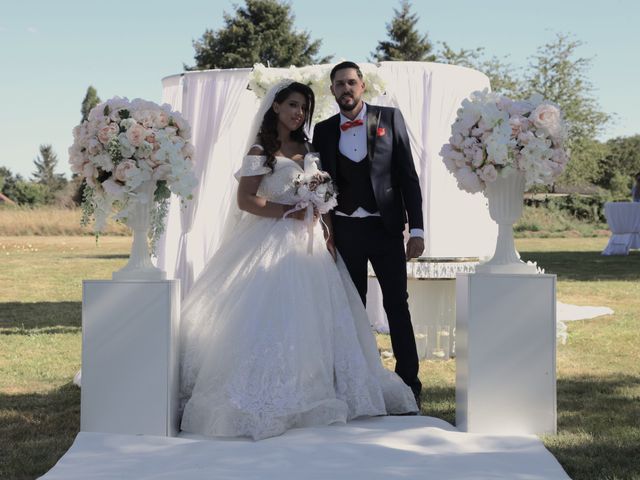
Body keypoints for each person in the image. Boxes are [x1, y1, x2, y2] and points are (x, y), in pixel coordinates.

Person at [179, 80, 417, 441]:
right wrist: (286, 211)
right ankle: (268, 392)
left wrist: (328, 231)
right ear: (275, 107)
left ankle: (319, 386)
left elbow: (322, 198)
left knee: (320, 317)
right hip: (271, 241)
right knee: (273, 315)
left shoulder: (309, 147)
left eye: (304, 107)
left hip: (313, 246)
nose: (298, 113)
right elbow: (246, 200)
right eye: (292, 105)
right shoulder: (261, 150)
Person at [312, 61, 425, 404]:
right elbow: (319, 184)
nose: (345, 89)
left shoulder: (389, 119)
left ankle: (409, 383)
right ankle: (358, 383)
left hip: (386, 227)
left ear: (362, 86)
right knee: (351, 307)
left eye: (351, 82)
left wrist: (416, 229)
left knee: (397, 305)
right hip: (344, 230)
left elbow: (408, 176)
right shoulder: (324, 129)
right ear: (332, 91)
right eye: (339, 84)